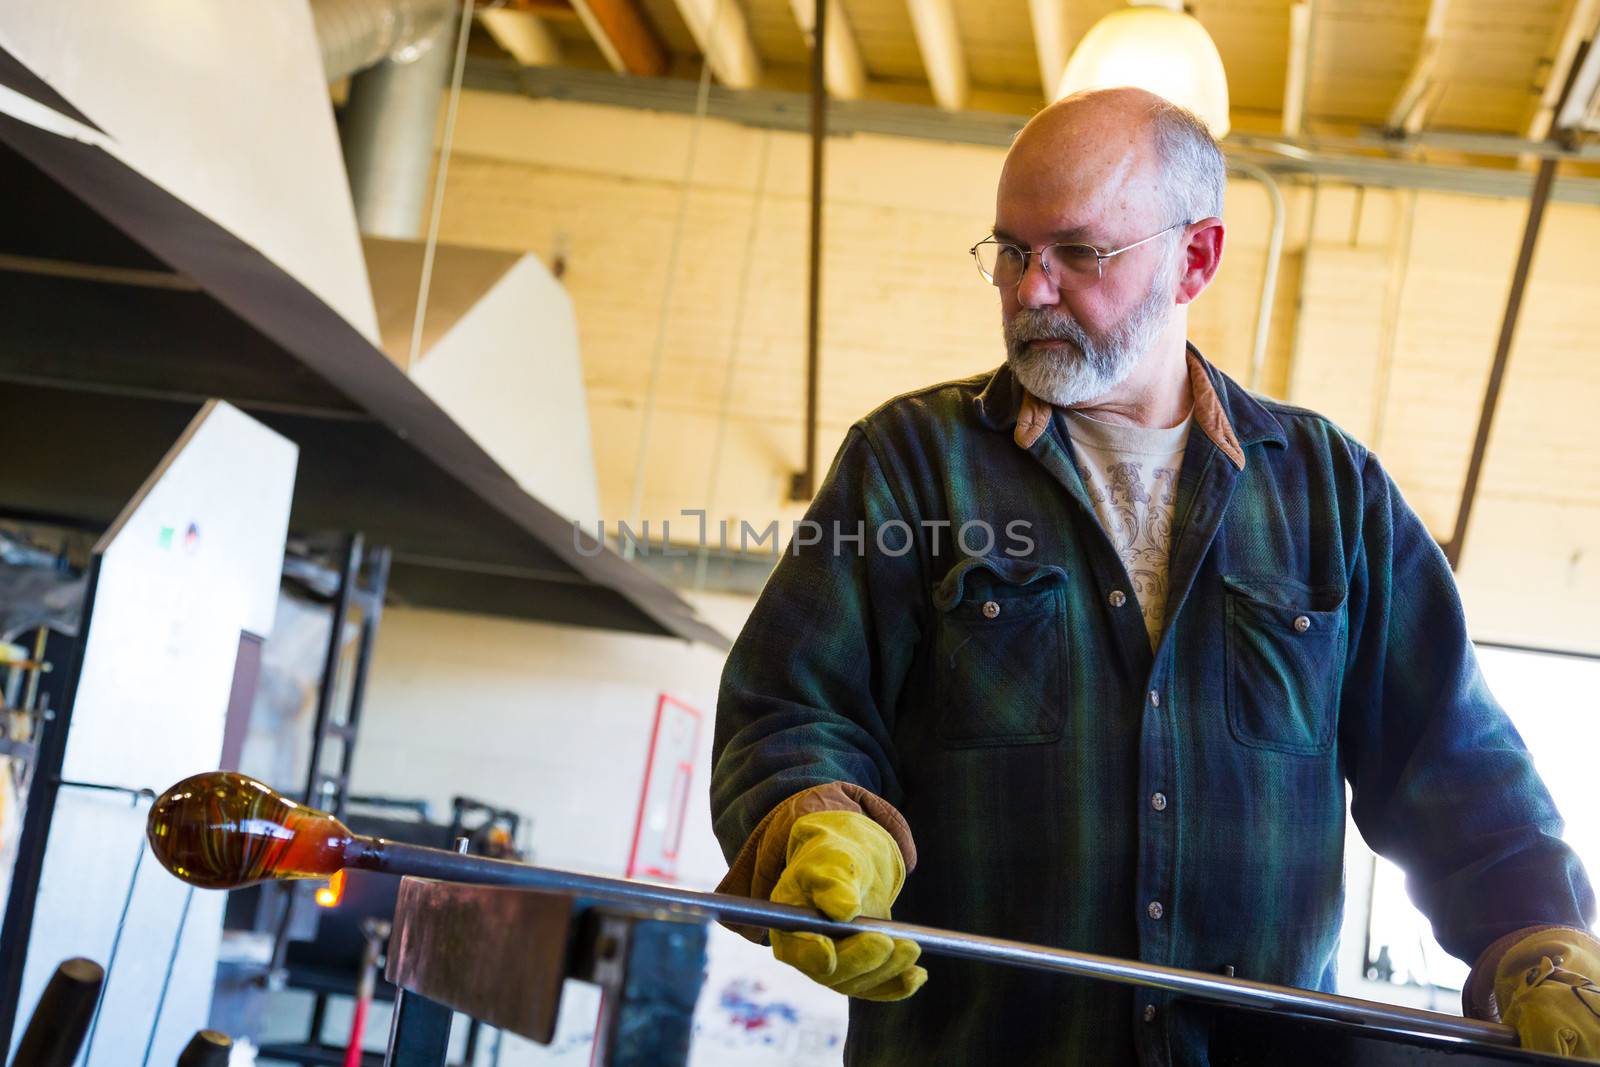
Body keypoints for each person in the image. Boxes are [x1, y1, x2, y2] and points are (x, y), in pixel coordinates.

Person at [709, 87, 1598, 1065]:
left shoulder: (1331, 495)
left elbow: (1455, 769)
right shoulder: (912, 462)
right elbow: (790, 706)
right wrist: (821, 822)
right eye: (1010, 250)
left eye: (1077, 254)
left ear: (1196, 258)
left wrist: (1536, 935)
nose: (1029, 289)